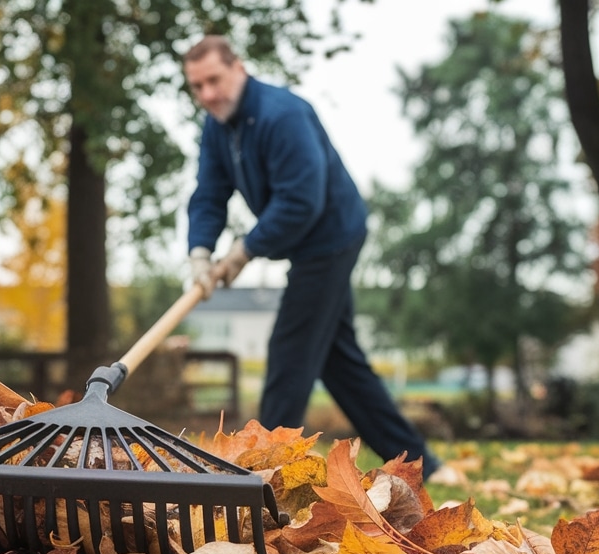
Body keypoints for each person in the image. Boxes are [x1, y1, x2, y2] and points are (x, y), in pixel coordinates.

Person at [182, 34, 454, 483]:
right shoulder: (217, 127)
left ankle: (262, 466)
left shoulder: (282, 115)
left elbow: (300, 201)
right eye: (197, 87)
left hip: (331, 235)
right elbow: (209, 193)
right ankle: (421, 463)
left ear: (239, 69)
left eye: (214, 80)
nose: (208, 94)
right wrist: (199, 251)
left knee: (292, 348)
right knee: (339, 362)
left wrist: (244, 251)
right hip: (301, 239)